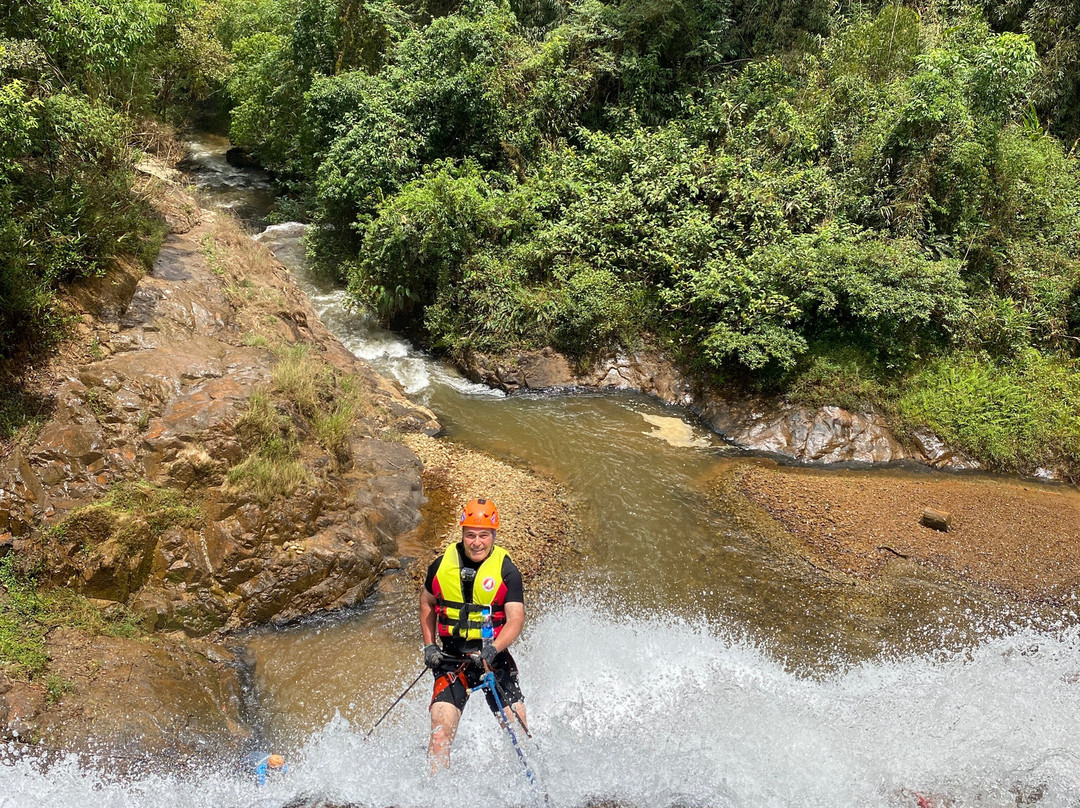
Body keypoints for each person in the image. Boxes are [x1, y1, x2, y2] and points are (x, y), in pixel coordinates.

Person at [419, 497, 527, 772]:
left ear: (493, 535)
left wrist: (493, 649)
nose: (476, 542)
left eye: (483, 535)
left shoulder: (507, 572)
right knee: (440, 733)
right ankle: (438, 795)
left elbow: (515, 619)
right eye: (470, 535)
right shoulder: (440, 566)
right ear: (462, 534)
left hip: (494, 660)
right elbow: (426, 603)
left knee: (518, 732)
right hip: (452, 661)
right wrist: (430, 646)